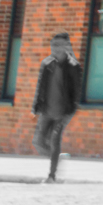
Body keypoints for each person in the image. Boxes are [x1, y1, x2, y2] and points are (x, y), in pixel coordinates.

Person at [31, 34, 85, 182]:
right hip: (47, 111)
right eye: (53, 45)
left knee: (55, 141)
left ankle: (52, 175)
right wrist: (35, 108)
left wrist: (70, 112)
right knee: (38, 141)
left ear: (66, 46)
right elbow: (41, 87)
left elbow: (76, 93)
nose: (54, 48)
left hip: (63, 112)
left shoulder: (73, 66)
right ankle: (57, 158)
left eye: (58, 45)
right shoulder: (47, 64)